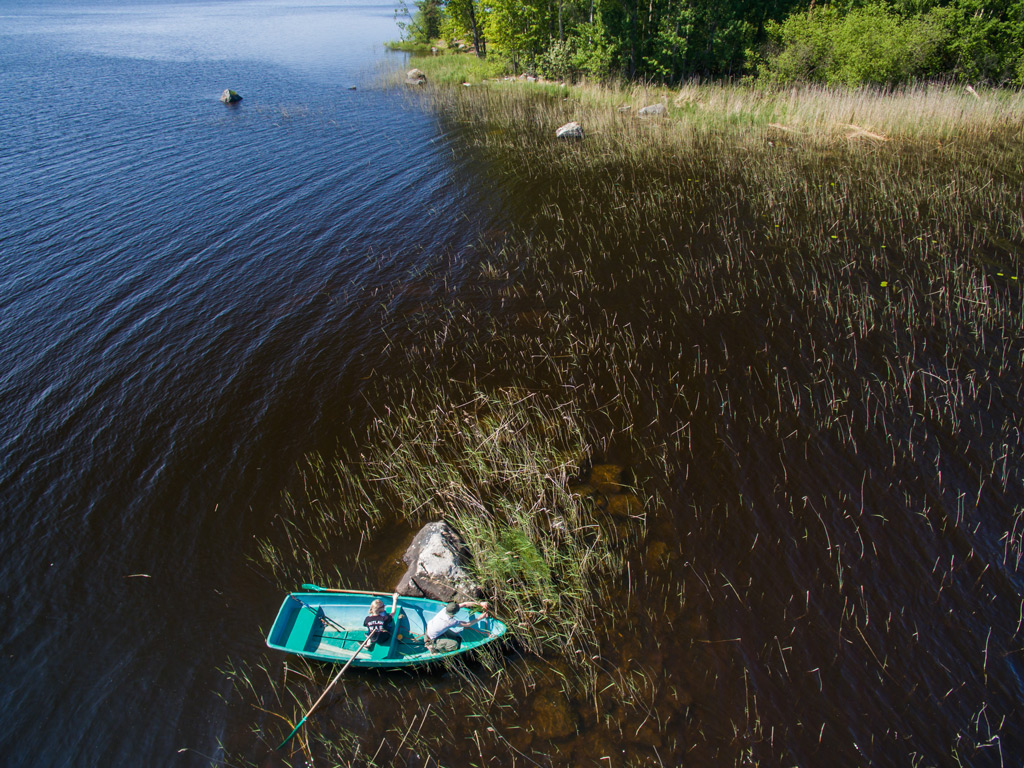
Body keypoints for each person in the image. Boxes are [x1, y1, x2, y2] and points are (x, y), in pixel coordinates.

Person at [424, 598, 490, 653]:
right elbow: (467, 624)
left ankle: (436, 641)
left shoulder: (444, 609)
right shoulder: (449, 621)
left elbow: (465, 604)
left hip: (428, 628)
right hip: (432, 638)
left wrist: (480, 604)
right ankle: (433, 646)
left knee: (456, 636)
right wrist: (481, 617)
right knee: (455, 644)